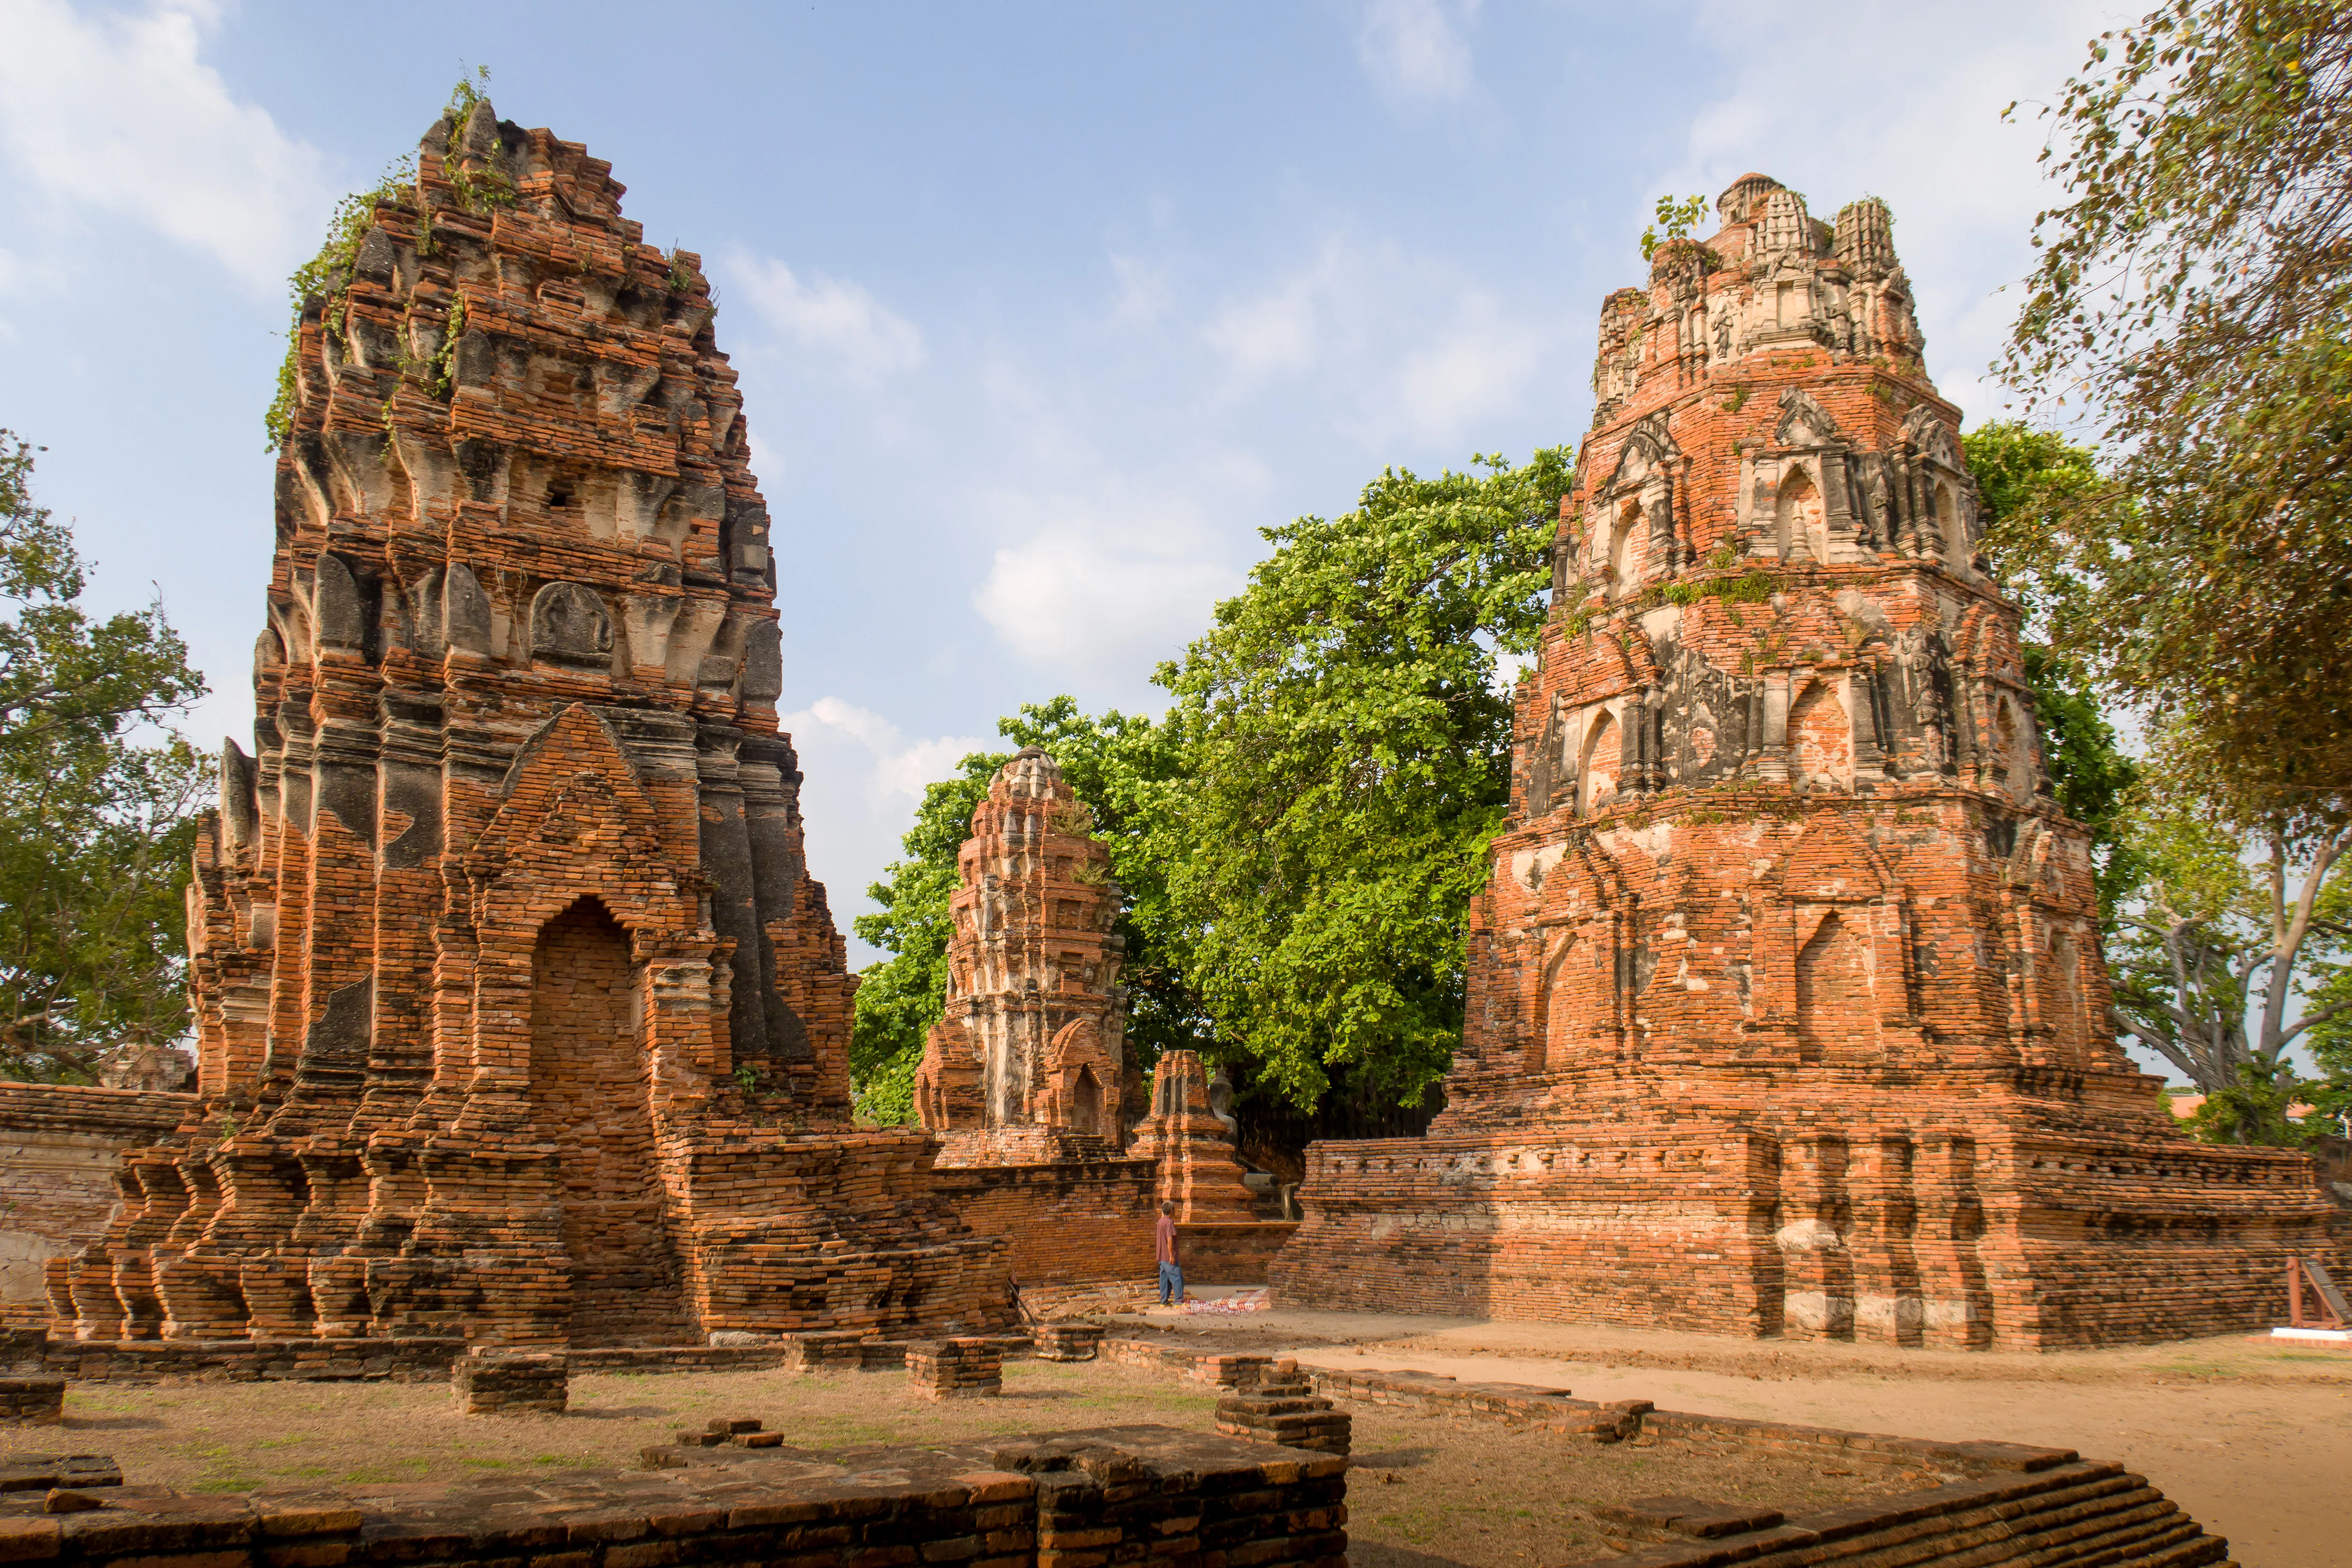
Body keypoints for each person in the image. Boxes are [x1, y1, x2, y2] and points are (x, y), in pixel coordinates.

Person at [1154, 1200, 1182, 1306]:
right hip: (1168, 1256)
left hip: (1161, 1256)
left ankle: (1164, 1302)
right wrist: (1172, 1255)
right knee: (1177, 1278)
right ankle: (1179, 1301)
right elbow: (1170, 1239)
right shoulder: (1169, 1223)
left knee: (1165, 1279)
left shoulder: (1160, 1222)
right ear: (1171, 1210)